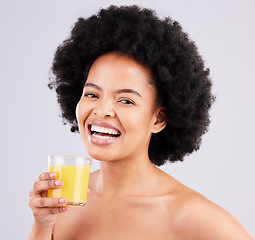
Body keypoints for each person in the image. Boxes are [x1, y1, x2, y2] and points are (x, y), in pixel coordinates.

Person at [28, 5, 254, 240]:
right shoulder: (66, 201)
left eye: (125, 100)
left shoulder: (189, 215)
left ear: (158, 119)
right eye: (92, 94)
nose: (102, 110)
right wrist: (42, 226)